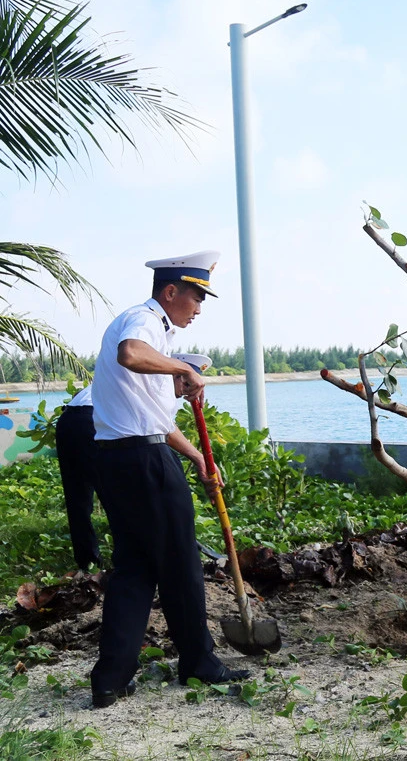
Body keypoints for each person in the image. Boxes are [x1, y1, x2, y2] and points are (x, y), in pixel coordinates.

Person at [89, 251, 249, 709]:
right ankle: (199, 663)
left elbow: (155, 418)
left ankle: (111, 678)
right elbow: (130, 355)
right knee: (180, 564)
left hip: (122, 459)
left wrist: (199, 456)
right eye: (197, 295)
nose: (199, 307)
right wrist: (184, 368)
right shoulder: (145, 321)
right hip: (145, 463)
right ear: (171, 291)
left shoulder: (154, 332)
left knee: (135, 570)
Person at [55, 383, 103, 572]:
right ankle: (131, 560)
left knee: (78, 498)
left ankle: (87, 562)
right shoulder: (157, 379)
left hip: (69, 419)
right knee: (117, 495)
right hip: (91, 420)